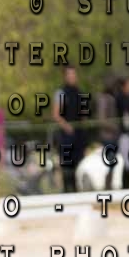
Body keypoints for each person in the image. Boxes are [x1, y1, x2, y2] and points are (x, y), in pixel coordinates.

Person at [53, 65, 86, 193]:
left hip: (79, 136)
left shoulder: (79, 92)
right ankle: (67, 193)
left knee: (78, 165)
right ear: (65, 77)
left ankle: (77, 193)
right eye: (70, 74)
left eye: (74, 74)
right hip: (66, 136)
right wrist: (67, 126)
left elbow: (83, 115)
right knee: (67, 168)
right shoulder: (61, 93)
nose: (72, 77)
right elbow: (56, 114)